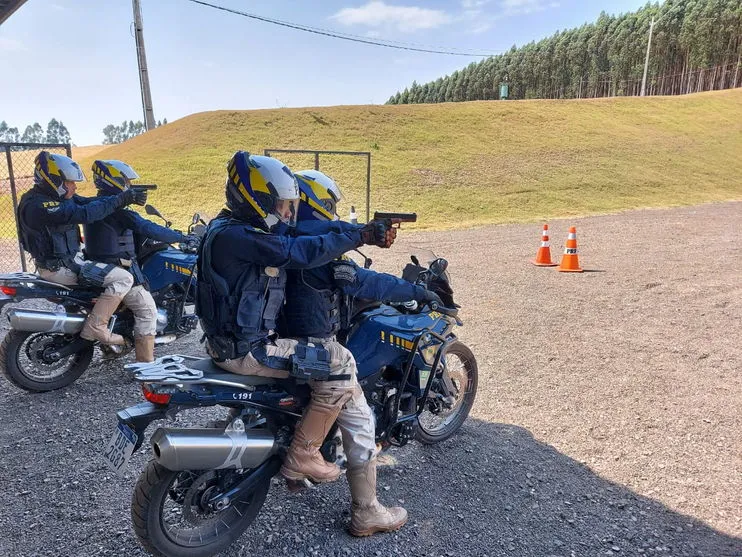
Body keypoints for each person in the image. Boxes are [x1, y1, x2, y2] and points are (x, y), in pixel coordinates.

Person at [278, 169, 443, 537]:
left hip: (278, 342)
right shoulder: (319, 251)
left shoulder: (285, 238)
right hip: (314, 345)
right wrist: (414, 291)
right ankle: (367, 511)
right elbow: (364, 281)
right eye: (329, 206)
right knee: (360, 417)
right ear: (319, 204)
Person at [17, 151, 146, 345]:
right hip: (60, 269)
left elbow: (88, 202)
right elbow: (85, 213)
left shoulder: (51, 198)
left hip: (67, 263)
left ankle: (109, 333)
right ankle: (97, 326)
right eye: (69, 182)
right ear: (54, 179)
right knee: (123, 278)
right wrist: (121, 199)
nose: (74, 186)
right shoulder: (40, 205)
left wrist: (124, 197)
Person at [83, 160, 193, 362]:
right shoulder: (118, 211)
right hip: (117, 268)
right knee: (147, 311)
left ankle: (115, 344)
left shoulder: (94, 205)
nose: (128, 185)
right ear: (113, 181)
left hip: (97, 268)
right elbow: (148, 227)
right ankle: (146, 366)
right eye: (125, 180)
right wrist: (182, 237)